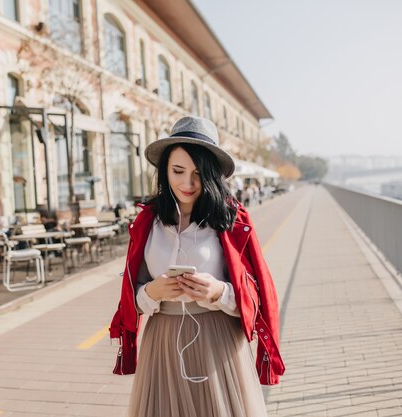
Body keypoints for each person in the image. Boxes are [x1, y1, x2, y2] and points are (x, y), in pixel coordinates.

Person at [109, 116, 284, 417]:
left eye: (198, 174)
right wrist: (152, 291)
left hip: (219, 343)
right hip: (161, 345)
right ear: (164, 170)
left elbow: (256, 297)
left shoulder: (232, 221)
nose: (187, 183)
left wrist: (218, 292)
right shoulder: (146, 222)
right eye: (178, 171)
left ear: (212, 175)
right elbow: (131, 299)